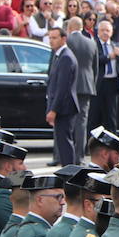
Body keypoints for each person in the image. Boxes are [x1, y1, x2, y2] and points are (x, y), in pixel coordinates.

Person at [45, 27, 80, 167]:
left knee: (65, 143)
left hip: (65, 108)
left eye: (54, 38)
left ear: (63, 39)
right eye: (50, 38)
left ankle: (69, 173)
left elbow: (63, 88)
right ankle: (67, 171)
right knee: (62, 142)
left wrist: (53, 110)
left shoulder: (66, 57)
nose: (51, 41)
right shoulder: (57, 55)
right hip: (62, 107)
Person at [65, 17, 99, 162]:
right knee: (81, 123)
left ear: (70, 27)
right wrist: (92, 83)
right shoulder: (91, 42)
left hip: (69, 85)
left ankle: (64, 155)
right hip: (86, 85)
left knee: (65, 121)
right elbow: (95, 68)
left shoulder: (67, 41)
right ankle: (79, 156)